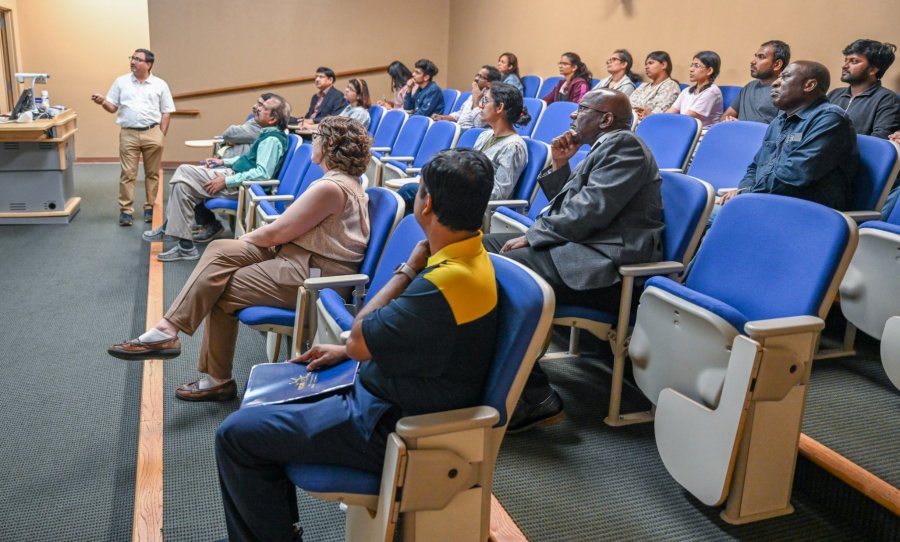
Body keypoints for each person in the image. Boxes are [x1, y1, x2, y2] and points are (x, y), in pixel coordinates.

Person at [214, 148, 498, 541]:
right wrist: (346, 351)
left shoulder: (443, 282)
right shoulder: (474, 258)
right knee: (265, 400)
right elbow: (392, 342)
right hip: (383, 388)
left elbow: (361, 337)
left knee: (236, 435)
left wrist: (406, 270)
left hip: (384, 422)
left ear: (427, 203)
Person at [108, 117, 373, 404]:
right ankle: (167, 331)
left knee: (218, 286)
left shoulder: (331, 188)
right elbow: (283, 232)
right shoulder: (338, 182)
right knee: (221, 249)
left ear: (330, 143)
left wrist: (246, 241)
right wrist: (242, 243)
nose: (313, 141)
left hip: (313, 275)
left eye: (317, 136)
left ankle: (215, 377)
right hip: (300, 255)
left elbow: (278, 231)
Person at [483, 89, 664, 432]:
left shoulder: (624, 145)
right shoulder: (604, 147)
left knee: (498, 271)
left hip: (604, 262)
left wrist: (534, 237)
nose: (572, 115)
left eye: (581, 109)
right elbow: (576, 207)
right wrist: (560, 164)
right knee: (483, 245)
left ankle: (534, 396)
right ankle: (500, 373)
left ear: (606, 119)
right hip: (583, 244)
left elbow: (588, 211)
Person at [139, 94, 292, 260]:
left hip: (242, 187)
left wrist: (225, 181)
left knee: (183, 171)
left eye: (264, 108)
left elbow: (262, 174)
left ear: (272, 119)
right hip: (236, 179)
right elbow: (248, 160)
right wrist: (223, 161)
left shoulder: (271, 139)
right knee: (182, 187)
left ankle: (171, 228)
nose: (258, 108)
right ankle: (185, 246)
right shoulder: (267, 133)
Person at [718, 61, 859, 212]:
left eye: (785, 77)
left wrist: (746, 194)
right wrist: (744, 189)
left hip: (804, 210)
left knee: (701, 217)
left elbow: (795, 175)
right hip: (765, 200)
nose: (776, 83)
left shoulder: (829, 119)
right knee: (700, 212)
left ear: (809, 85)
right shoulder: (779, 121)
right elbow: (756, 166)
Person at [398, 82, 531, 209]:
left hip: (474, 207)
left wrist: (458, 192)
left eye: (485, 101)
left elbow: (499, 194)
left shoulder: (513, 146)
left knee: (410, 193)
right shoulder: (486, 135)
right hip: (463, 195)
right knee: (415, 191)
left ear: (500, 107)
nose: (480, 106)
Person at [92, 48, 175, 226]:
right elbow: (112, 107)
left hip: (153, 132)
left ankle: (150, 207)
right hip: (128, 133)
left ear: (149, 64)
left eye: (138, 59)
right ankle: (126, 210)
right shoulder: (121, 82)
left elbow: (166, 112)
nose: (133, 62)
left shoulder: (160, 84)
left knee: (152, 173)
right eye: (132, 58)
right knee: (128, 173)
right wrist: (103, 102)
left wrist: (161, 134)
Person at [827, 39, 899, 139]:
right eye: (846, 60)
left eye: (854, 61)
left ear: (872, 70)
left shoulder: (887, 99)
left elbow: (880, 140)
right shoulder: (833, 94)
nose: (844, 66)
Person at [722, 40, 791, 123]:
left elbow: (783, 130)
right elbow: (726, 115)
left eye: (761, 57)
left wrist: (745, 128)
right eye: (755, 56)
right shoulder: (749, 86)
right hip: (738, 133)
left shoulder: (786, 92)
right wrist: (728, 121)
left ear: (777, 64)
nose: (753, 62)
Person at [432, 65, 502, 129]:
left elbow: (478, 124)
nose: (476, 78)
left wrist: (476, 100)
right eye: (477, 75)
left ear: (490, 84)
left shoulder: (490, 99)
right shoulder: (473, 94)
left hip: (471, 133)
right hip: (459, 129)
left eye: (481, 77)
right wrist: (443, 117)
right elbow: (460, 113)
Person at [666, 51, 724, 128]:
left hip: (702, 136)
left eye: (696, 66)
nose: (691, 69)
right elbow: (669, 113)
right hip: (685, 130)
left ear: (709, 71)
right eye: (691, 65)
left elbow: (689, 118)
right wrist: (653, 117)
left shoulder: (712, 91)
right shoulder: (686, 91)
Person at [216, 93, 275, 159]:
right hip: (227, 162)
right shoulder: (256, 124)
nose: (254, 106)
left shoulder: (261, 129)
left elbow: (229, 133)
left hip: (232, 165)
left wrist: (236, 141)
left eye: (260, 104)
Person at [630, 51, 681, 122]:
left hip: (651, 125)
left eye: (651, 63)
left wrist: (646, 113)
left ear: (664, 65)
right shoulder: (643, 86)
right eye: (646, 64)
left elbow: (658, 115)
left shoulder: (671, 86)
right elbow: (629, 105)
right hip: (631, 121)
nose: (646, 67)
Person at [304, 78, 372, 130]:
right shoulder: (348, 108)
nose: (346, 90)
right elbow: (332, 124)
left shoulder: (361, 113)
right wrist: (310, 127)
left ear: (359, 96)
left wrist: (311, 127)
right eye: (347, 87)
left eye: (351, 89)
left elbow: (342, 131)